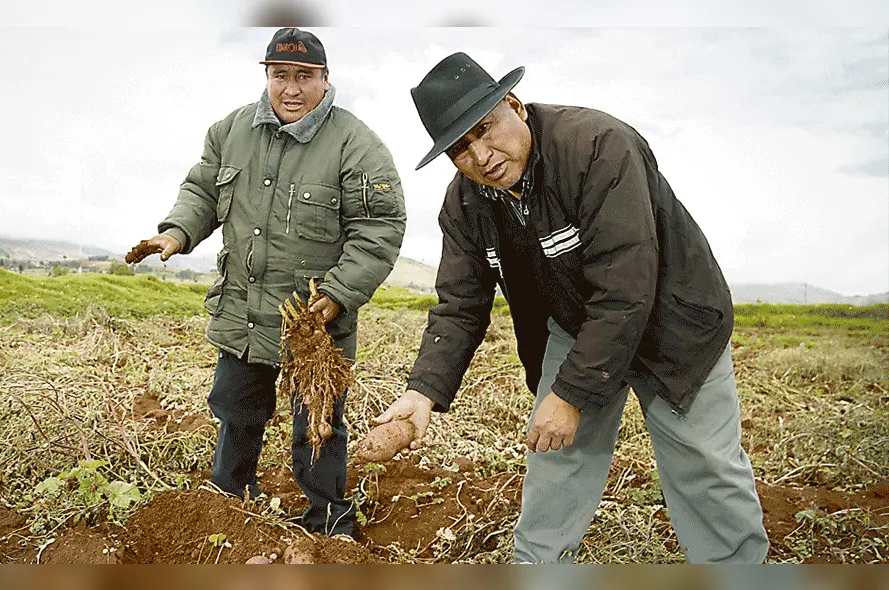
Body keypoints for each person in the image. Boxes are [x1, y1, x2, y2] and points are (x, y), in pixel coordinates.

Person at [375, 52, 768, 563]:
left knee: (704, 462)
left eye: (486, 129)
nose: (481, 155)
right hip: (579, 323)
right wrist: (423, 392)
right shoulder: (467, 203)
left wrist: (571, 394)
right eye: (461, 149)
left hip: (674, 323)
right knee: (555, 459)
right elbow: (460, 304)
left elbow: (627, 288)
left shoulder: (598, 147)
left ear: (513, 104)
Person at [125, 28, 406, 538]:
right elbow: (202, 191)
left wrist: (339, 295)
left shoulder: (356, 145)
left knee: (317, 427)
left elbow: (379, 228)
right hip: (242, 313)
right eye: (281, 76)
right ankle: (230, 502)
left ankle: (329, 523)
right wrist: (176, 233)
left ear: (325, 79)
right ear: (267, 76)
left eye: (304, 77)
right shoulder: (231, 131)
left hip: (313, 325)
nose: (291, 89)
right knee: (236, 409)